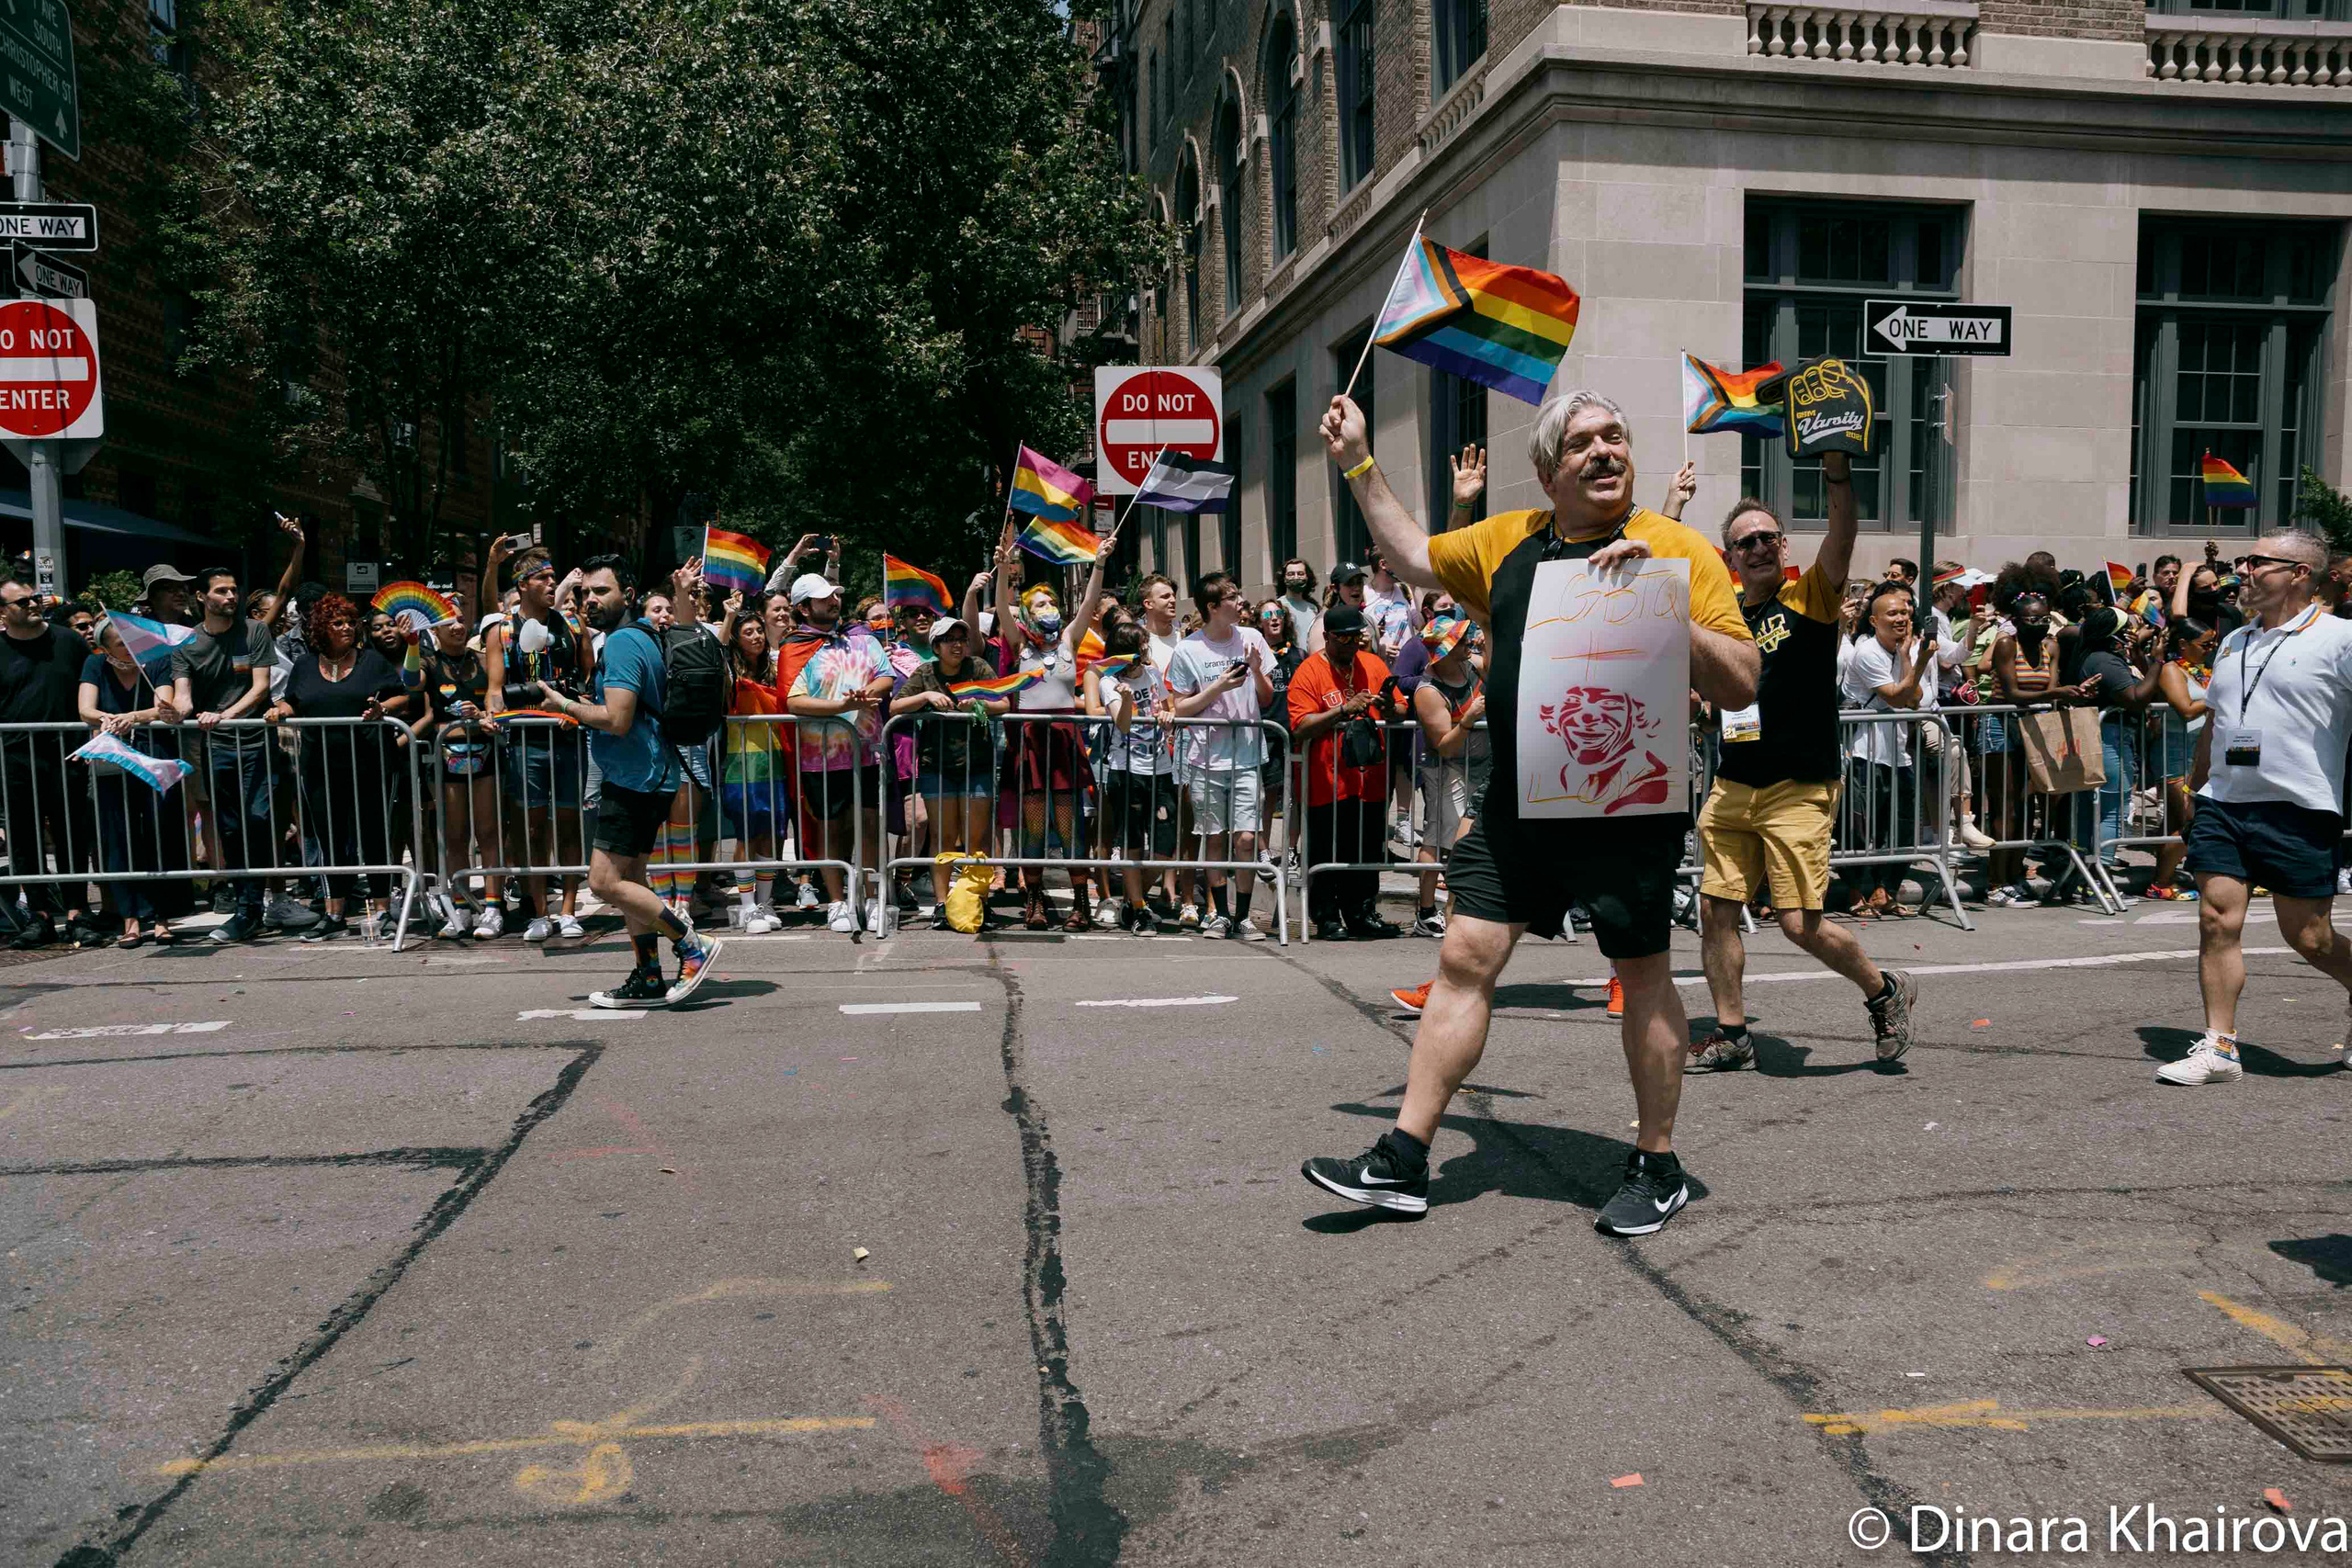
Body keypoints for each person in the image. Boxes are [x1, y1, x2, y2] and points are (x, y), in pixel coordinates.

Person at [1300, 388, 1758, 1235]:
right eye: (1583, 442)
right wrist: (1359, 460)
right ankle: (1403, 1158)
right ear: (1548, 472)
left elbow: (1740, 679)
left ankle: (1657, 1164)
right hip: (1520, 801)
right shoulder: (1509, 538)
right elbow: (1411, 555)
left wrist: (1662, 609)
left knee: (1644, 972)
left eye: (1616, 435)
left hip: (1628, 802)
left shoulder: (1680, 549)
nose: (1605, 451)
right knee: (1464, 956)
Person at [1689, 475, 1917, 1073]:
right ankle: (1733, 1032)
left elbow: (1843, 533)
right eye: (1746, 542)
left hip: (1799, 784)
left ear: (1783, 547)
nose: (1759, 547)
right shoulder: (1727, 618)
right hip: (1734, 781)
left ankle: (1884, 990)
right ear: (1730, 558)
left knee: (1798, 924)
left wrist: (1838, 470)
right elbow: (1722, 693)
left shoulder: (1811, 597)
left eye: (1768, 537)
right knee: (1715, 910)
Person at [2150, 533, 2352, 1081]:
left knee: (2309, 937)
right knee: (2216, 918)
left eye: (2258, 562)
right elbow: (2216, 721)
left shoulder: (2340, 639)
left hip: (2300, 806)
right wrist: (2194, 790)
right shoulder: (2234, 639)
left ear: (2301, 574)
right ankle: (2220, 1047)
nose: (2245, 570)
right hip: (2224, 801)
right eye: (2245, 561)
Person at [530, 557, 720, 1008]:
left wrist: (566, 706)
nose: (590, 601)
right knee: (633, 878)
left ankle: (692, 945)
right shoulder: (642, 637)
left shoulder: (622, 644)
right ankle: (648, 977)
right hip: (646, 772)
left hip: (636, 777)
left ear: (628, 596)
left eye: (601, 592)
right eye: (585, 593)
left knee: (603, 882)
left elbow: (617, 719)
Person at [263, 592, 409, 942]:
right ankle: (334, 913)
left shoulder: (371, 661)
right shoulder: (305, 665)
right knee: (329, 839)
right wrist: (281, 709)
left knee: (375, 835)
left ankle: (384, 910)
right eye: (337, 622)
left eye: (349, 621)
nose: (346, 628)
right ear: (320, 629)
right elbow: (295, 701)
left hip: (372, 761)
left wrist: (381, 710)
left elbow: (402, 697)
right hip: (320, 765)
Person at [483, 552, 591, 940]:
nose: (552, 584)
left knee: (568, 824)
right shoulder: (502, 631)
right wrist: (492, 716)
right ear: (522, 585)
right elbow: (495, 691)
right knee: (531, 828)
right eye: (543, 578)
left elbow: (587, 678)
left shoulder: (573, 625)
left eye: (554, 577)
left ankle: (568, 911)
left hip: (565, 737)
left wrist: (574, 707)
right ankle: (539, 913)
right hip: (524, 743)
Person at [1166, 570, 1275, 939]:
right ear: (1212, 607)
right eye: (1231, 597)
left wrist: (1258, 673)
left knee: (1246, 839)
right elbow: (1179, 708)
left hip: (1246, 755)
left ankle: (1243, 916)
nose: (1240, 601)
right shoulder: (1188, 649)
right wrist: (1218, 687)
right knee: (1214, 837)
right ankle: (1220, 914)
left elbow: (1266, 698)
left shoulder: (1253, 637)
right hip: (1205, 758)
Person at [173, 567, 279, 944]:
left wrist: (225, 715)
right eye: (221, 591)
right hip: (215, 748)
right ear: (202, 598)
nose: (231, 596)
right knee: (231, 828)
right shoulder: (186, 643)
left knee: (258, 818)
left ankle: (258, 904)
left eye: (234, 589)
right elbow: (183, 697)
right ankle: (247, 908)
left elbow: (260, 687)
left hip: (254, 743)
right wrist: (173, 707)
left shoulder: (255, 631)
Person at [1287, 603, 1407, 938]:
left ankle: (1362, 913)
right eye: (1343, 639)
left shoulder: (1372, 664)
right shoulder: (1309, 671)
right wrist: (1342, 709)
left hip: (1370, 778)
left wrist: (1387, 706)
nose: (1352, 645)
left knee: (1367, 847)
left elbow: (1400, 706)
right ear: (1326, 637)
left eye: (1356, 637)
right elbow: (1300, 726)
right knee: (1327, 848)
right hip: (1327, 780)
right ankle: (1326, 917)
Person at [781, 571, 891, 934]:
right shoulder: (794, 648)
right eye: (824, 598)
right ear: (803, 608)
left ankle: (875, 900)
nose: (834, 601)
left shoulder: (863, 638)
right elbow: (793, 700)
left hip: (867, 751)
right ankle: (836, 903)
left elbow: (885, 676)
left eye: (835, 596)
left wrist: (868, 693)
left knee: (871, 826)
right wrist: (843, 705)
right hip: (820, 757)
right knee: (830, 830)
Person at [0, 575, 101, 947]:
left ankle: (78, 913)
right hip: (14, 757)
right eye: (22, 602)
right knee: (24, 839)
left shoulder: (69, 641)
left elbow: (92, 686)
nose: (32, 605)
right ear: (3, 612)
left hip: (68, 752)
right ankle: (40, 916)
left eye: (34, 598)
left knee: (71, 834)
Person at [79, 617, 186, 945]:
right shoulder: (95, 664)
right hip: (114, 759)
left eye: (131, 641)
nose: (128, 648)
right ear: (106, 646)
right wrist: (108, 719)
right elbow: (86, 709)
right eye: (120, 643)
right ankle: (130, 919)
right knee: (118, 836)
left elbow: (162, 706)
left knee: (159, 832)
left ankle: (162, 918)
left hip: (153, 757)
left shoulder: (156, 661)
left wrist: (133, 717)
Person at [1838, 580, 1939, 919]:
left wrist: (1912, 657)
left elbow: (1914, 700)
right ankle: (1855, 892)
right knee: (1858, 827)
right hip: (1865, 752)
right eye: (1892, 613)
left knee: (1902, 826)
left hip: (1899, 753)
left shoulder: (1904, 650)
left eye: (1905, 612)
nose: (1901, 618)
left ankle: (1885, 891)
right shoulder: (1866, 652)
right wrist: (1922, 661)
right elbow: (1896, 696)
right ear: (1874, 620)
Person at [413, 609, 505, 939]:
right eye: (448, 621)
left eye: (461, 619)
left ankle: (493, 908)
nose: (456, 626)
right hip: (447, 759)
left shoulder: (481, 660)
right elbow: (410, 684)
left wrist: (482, 713)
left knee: (488, 831)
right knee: (454, 835)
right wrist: (411, 641)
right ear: (434, 629)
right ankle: (460, 907)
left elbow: (499, 701)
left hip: (486, 755)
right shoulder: (428, 662)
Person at [1082, 608, 1176, 935]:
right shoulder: (1111, 681)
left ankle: (1133, 897)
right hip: (1127, 769)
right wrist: (1123, 700)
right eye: (1142, 648)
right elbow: (1121, 725)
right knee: (1132, 839)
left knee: (1167, 841)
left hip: (1161, 766)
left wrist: (1167, 715)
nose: (1147, 653)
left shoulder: (1151, 675)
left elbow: (1168, 704)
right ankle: (1137, 908)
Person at [1406, 614, 1487, 939]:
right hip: (1448, 770)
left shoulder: (1472, 664)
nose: (1467, 643)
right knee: (1443, 841)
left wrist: (1489, 640)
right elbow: (1444, 746)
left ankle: (1474, 909)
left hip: (1483, 766)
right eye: (1461, 640)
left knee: (1474, 839)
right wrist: (1468, 720)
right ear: (1446, 650)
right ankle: (1427, 913)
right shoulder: (1429, 690)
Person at [717, 592, 786, 932]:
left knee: (771, 834)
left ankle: (765, 902)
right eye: (749, 632)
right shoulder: (728, 668)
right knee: (747, 832)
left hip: (774, 760)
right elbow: (715, 656)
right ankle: (747, 907)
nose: (757, 636)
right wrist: (729, 617)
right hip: (740, 761)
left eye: (760, 630)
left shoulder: (775, 667)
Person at [2143, 615, 2215, 900]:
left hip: (2198, 756)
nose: (2210, 649)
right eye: (2205, 644)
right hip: (2174, 755)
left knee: (2178, 822)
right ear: (2183, 645)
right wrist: (2218, 695)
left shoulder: (2201, 670)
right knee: (2190, 821)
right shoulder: (2171, 670)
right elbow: (2185, 709)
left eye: (2213, 644)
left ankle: (2168, 876)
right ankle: (2159, 883)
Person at [1278, 558, 1323, 655]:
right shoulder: (1278, 606)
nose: (1296, 577)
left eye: (1300, 574)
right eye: (1291, 574)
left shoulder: (1314, 608)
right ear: (1284, 578)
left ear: (1307, 577)